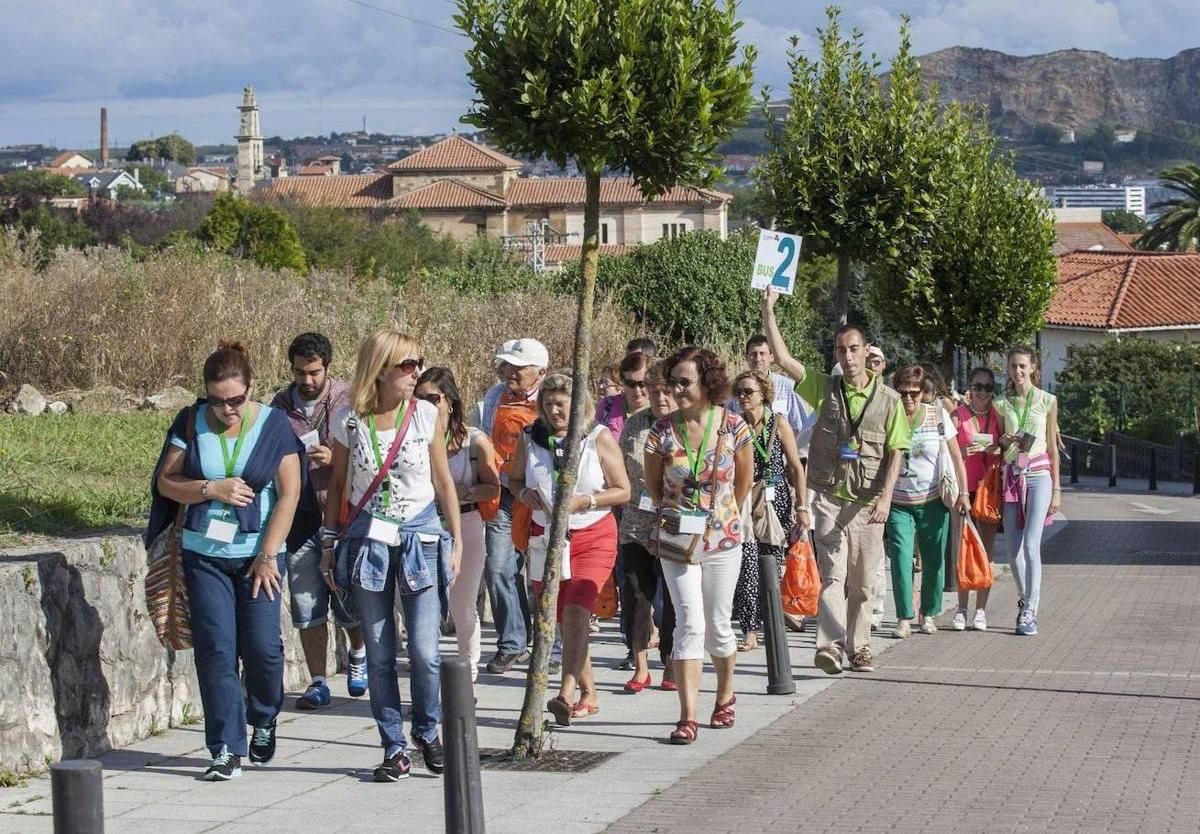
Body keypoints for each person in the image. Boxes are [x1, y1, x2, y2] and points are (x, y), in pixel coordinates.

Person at [149, 340, 303, 781]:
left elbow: (290, 494)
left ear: (251, 388)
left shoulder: (274, 425)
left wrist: (269, 555)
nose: (226, 410)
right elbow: (166, 482)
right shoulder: (190, 421)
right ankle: (224, 748)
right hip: (205, 553)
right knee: (216, 651)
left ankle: (265, 715)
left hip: (260, 556)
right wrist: (209, 490)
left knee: (263, 650)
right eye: (217, 401)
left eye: (235, 401)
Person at [320, 329, 463, 782]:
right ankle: (393, 746)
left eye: (417, 363)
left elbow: (443, 482)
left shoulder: (425, 414)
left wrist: (454, 541)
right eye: (406, 365)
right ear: (380, 370)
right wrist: (328, 544)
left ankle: (426, 729)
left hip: (420, 534)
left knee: (424, 650)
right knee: (380, 653)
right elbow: (339, 485)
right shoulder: (349, 419)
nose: (415, 372)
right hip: (367, 538)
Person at [773, 313, 911, 675]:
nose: (847, 357)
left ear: (867, 352)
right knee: (833, 575)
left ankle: (860, 647)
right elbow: (784, 361)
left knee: (864, 582)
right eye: (840, 350)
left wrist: (885, 498)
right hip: (829, 496)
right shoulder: (825, 388)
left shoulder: (890, 401)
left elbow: (896, 452)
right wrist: (769, 311)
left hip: (867, 503)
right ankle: (831, 647)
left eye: (853, 349)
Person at [508, 372, 631, 725]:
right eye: (547, 404)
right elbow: (515, 479)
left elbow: (622, 490)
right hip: (545, 538)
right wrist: (523, 493)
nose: (554, 410)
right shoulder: (532, 437)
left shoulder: (596, 437)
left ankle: (565, 692)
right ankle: (589, 692)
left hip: (592, 534)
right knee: (560, 618)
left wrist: (587, 500)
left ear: (578, 404)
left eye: (561, 403)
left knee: (578, 612)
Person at [645, 347, 753, 744]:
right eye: (672, 381)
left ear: (707, 383)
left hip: (723, 536)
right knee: (689, 622)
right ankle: (688, 715)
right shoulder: (661, 431)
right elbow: (654, 486)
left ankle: (725, 694)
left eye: (684, 382)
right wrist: (676, 512)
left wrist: (725, 514)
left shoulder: (734, 427)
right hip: (677, 537)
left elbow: (744, 481)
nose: (676, 389)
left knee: (719, 626)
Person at [268, 332, 367, 710]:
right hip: (300, 517)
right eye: (298, 373)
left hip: (342, 514)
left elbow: (368, 454)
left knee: (347, 597)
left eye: (313, 372)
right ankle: (317, 681)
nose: (305, 381)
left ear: (327, 367)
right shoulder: (279, 407)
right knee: (307, 603)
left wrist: (335, 458)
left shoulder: (348, 401)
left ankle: (358, 654)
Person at [415, 367, 501, 680]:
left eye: (433, 398)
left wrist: (460, 491)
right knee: (417, 605)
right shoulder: (412, 439)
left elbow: (493, 488)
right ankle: (428, 669)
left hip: (466, 523)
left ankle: (468, 672)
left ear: (450, 402)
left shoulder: (475, 442)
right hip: (422, 526)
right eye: (419, 398)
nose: (425, 405)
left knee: (463, 605)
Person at [479, 338, 549, 673]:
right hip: (504, 495)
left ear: (540, 372)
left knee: (545, 574)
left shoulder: (554, 400)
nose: (510, 373)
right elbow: (481, 439)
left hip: (542, 500)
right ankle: (512, 643)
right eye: (507, 366)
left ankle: (552, 646)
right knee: (498, 569)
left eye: (518, 368)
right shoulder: (494, 397)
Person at [886, 365, 970, 638]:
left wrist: (964, 493)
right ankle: (903, 616)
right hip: (898, 501)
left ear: (924, 393)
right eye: (903, 393)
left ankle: (929, 613)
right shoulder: (890, 413)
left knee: (934, 561)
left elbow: (957, 457)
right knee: (900, 558)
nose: (909, 399)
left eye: (914, 393)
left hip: (933, 499)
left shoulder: (937, 415)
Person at [730, 369, 809, 651]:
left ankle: (771, 620)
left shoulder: (778, 423)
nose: (742, 398)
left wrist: (802, 506)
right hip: (745, 498)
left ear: (763, 393)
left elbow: (796, 467)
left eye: (748, 392)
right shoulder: (735, 425)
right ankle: (750, 629)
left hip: (775, 502)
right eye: (738, 392)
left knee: (771, 565)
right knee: (746, 565)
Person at [617, 361, 678, 691]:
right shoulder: (634, 426)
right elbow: (620, 469)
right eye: (654, 392)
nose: (659, 397)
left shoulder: (686, 425)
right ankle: (640, 665)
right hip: (635, 525)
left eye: (665, 391)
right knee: (637, 594)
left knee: (672, 598)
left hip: (674, 524)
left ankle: (671, 662)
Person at [994, 346, 1061, 637]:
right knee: (1012, 551)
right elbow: (999, 447)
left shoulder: (1047, 401)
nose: (1018, 371)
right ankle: (1024, 599)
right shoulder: (1001, 404)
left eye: (1023, 366)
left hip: (1039, 474)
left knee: (1032, 545)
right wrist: (1003, 439)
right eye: (1013, 366)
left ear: (1033, 367)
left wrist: (1057, 489)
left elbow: (1052, 445)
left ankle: (1031, 610)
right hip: (1012, 475)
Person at [951, 366, 1002, 632]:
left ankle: (980, 610)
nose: (982, 392)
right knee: (964, 550)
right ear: (969, 387)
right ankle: (961, 608)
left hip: (989, 490)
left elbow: (1008, 447)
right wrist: (962, 449)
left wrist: (998, 448)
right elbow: (946, 452)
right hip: (964, 489)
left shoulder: (998, 416)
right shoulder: (957, 416)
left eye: (988, 388)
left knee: (986, 551)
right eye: (977, 386)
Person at [736, 333, 817, 456]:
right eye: (753, 354)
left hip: (781, 463)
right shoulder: (737, 390)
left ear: (772, 357)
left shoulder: (787, 387)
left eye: (762, 354)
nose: (758, 359)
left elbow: (800, 427)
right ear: (746, 357)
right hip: (746, 460)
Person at [595, 350, 652, 439]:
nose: (637, 390)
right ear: (622, 382)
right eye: (631, 384)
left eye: (642, 384)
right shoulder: (607, 406)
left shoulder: (659, 409)